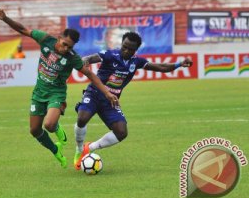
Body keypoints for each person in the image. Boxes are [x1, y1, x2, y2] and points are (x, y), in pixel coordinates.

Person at [0, 5, 119, 169]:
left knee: (49, 125)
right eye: (64, 44)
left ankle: (56, 127)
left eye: (70, 47)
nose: (66, 49)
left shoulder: (73, 58)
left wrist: (107, 92)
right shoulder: (45, 39)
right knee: (34, 131)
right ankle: (55, 149)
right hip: (39, 91)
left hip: (56, 94)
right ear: (58, 38)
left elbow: (90, 74)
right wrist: (5, 18)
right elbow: (23, 29)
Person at [73, 31, 193, 170]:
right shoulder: (110, 55)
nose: (126, 50)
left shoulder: (136, 62)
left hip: (111, 101)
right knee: (82, 118)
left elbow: (160, 67)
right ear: (121, 44)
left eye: (130, 49)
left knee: (121, 132)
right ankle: (80, 149)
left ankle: (90, 147)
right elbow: (91, 58)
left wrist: (179, 64)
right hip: (94, 94)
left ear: (136, 50)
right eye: (124, 46)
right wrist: (85, 61)